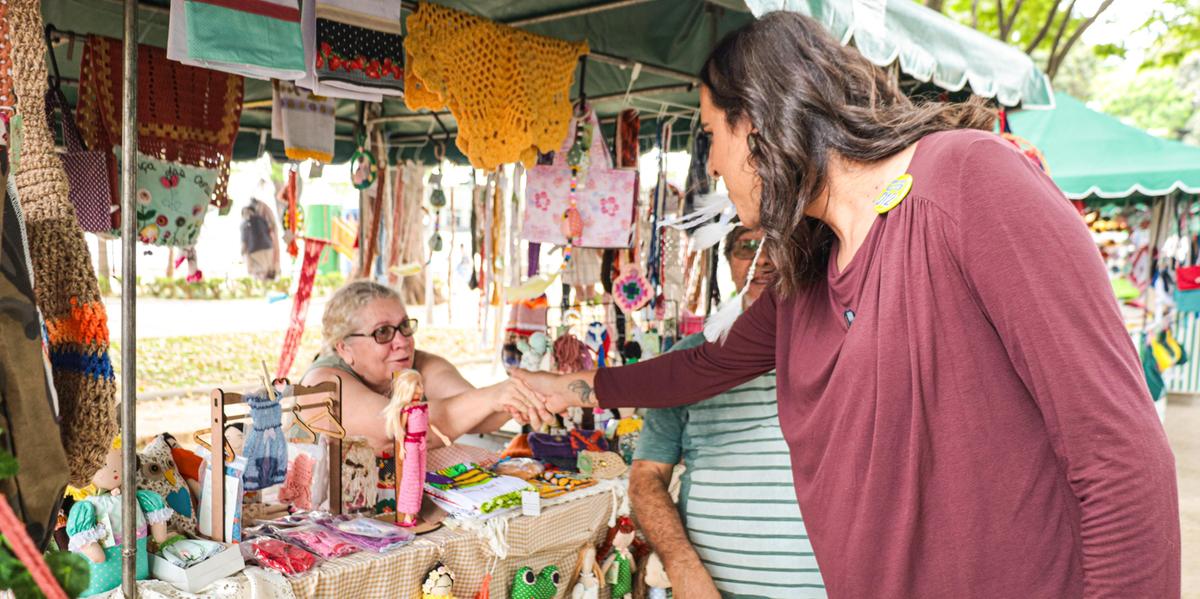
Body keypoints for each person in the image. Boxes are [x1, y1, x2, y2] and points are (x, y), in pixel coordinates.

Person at [514, 12, 1180, 598]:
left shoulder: (970, 181)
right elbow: (695, 371)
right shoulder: (809, 273)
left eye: (712, 132)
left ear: (757, 122)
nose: (711, 165)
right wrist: (570, 387)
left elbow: (1119, 458)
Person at [630, 226, 825, 599]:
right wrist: (681, 566)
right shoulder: (687, 360)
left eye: (775, 245)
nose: (762, 259)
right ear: (730, 266)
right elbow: (646, 476)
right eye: (746, 248)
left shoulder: (834, 347)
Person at [301, 280, 548, 453]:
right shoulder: (323, 383)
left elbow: (480, 418)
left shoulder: (420, 363)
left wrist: (526, 391)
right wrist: (497, 395)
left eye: (404, 326)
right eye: (383, 332)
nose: (402, 342)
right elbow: (401, 428)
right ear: (344, 348)